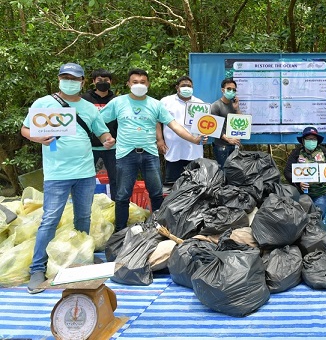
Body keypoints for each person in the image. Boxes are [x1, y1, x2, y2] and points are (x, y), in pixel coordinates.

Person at [21, 63, 114, 294]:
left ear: (83, 82)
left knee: (83, 218)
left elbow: (100, 130)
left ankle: (81, 260)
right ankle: (37, 268)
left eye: (75, 78)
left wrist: (107, 139)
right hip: (57, 174)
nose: (70, 81)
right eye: (65, 77)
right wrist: (37, 138)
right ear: (59, 79)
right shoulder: (44, 104)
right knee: (50, 219)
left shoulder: (88, 107)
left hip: (85, 172)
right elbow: (25, 129)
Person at [100, 68, 207, 231]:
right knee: (122, 196)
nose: (139, 85)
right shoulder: (118, 102)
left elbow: (174, 125)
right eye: (135, 82)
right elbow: (99, 120)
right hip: (125, 155)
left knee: (156, 193)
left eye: (142, 82)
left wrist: (194, 139)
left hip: (150, 155)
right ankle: (120, 231)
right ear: (128, 84)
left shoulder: (155, 104)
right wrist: (105, 136)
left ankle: (157, 228)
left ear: (148, 84)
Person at [157, 75, 205, 183]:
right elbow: (157, 121)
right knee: (172, 185)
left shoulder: (200, 104)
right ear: (177, 87)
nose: (187, 88)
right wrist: (160, 140)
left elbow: (205, 125)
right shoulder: (166, 102)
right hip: (173, 151)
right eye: (184, 85)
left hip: (194, 151)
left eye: (189, 86)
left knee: (193, 185)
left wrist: (204, 136)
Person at [283, 127, 326, 217]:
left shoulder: (323, 151)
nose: (311, 141)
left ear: (317, 140)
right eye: (308, 139)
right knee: (302, 218)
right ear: (303, 141)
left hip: (321, 192)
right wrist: (298, 182)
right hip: (302, 194)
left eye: (314, 139)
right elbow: (287, 172)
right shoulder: (297, 152)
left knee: (318, 216)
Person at [81, 68, 118, 200]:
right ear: (93, 82)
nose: (103, 82)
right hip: (90, 147)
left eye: (106, 80)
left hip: (113, 148)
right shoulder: (84, 100)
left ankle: (115, 207)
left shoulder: (116, 100)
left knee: (116, 180)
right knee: (86, 180)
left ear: (111, 82)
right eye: (99, 80)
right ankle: (86, 206)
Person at [210, 78, 241, 167]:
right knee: (223, 172)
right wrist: (228, 139)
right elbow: (214, 128)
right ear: (223, 90)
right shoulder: (216, 106)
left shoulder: (234, 105)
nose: (231, 91)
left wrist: (237, 108)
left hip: (235, 145)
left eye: (234, 90)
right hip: (221, 146)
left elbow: (242, 122)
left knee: (234, 173)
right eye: (229, 89)